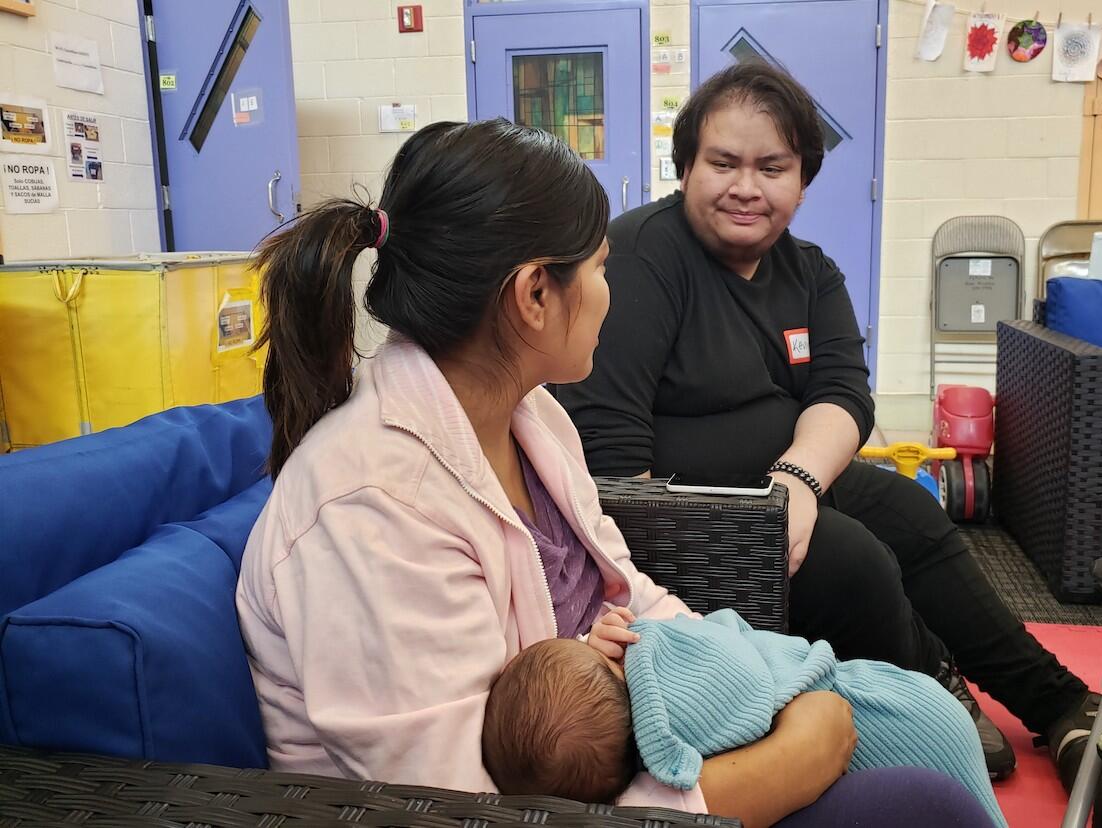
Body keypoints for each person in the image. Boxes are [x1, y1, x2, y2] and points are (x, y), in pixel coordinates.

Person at [234, 118, 989, 828]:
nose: (610, 292)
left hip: (628, 741)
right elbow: (470, 809)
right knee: (923, 802)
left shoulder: (531, 418)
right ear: (534, 295)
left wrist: (759, 675)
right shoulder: (371, 509)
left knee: (924, 719)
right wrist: (784, 764)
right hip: (559, 796)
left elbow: (628, 591)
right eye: (599, 269)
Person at [554, 62, 1100, 787]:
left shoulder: (808, 271)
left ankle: (1057, 701)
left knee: (910, 511)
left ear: (802, 180)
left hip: (786, 488)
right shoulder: (641, 261)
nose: (746, 186)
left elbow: (845, 392)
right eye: (723, 163)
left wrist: (797, 480)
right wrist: (744, 526)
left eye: (771, 167)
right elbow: (616, 464)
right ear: (685, 167)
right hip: (692, 526)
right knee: (853, 560)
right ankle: (930, 690)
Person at [482, 608, 1004, 826]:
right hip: (901, 721)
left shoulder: (653, 724)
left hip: (888, 709)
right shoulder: (669, 695)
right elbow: (730, 639)